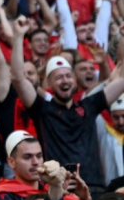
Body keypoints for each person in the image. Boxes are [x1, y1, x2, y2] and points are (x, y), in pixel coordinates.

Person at [11, 15, 124, 189]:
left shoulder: (89, 106)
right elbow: (18, 79)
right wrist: (18, 37)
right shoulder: (42, 109)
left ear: (75, 79)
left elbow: (122, 77)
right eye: (58, 77)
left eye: (68, 76)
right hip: (60, 190)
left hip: (93, 187)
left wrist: (122, 37)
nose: (65, 81)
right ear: (49, 83)